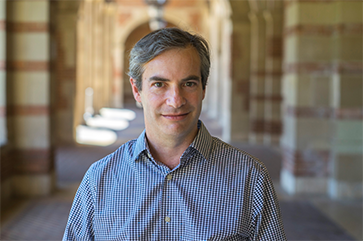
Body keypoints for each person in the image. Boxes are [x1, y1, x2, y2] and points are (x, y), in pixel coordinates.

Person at [63, 27, 286, 241]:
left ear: (203, 89)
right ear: (136, 90)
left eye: (188, 83)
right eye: (159, 84)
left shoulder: (250, 178)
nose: (176, 101)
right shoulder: (99, 180)